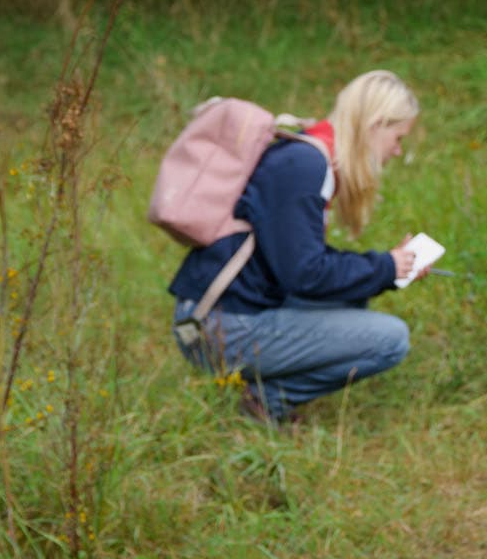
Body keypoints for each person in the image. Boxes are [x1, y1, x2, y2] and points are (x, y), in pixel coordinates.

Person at [169, 69, 425, 423]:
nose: (397, 151)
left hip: (222, 315)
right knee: (391, 339)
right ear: (375, 125)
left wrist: (392, 269)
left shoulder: (308, 156)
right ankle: (262, 402)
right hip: (217, 327)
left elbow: (299, 262)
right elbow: (305, 274)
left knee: (353, 298)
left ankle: (256, 389)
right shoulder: (305, 166)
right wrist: (385, 266)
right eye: (397, 138)